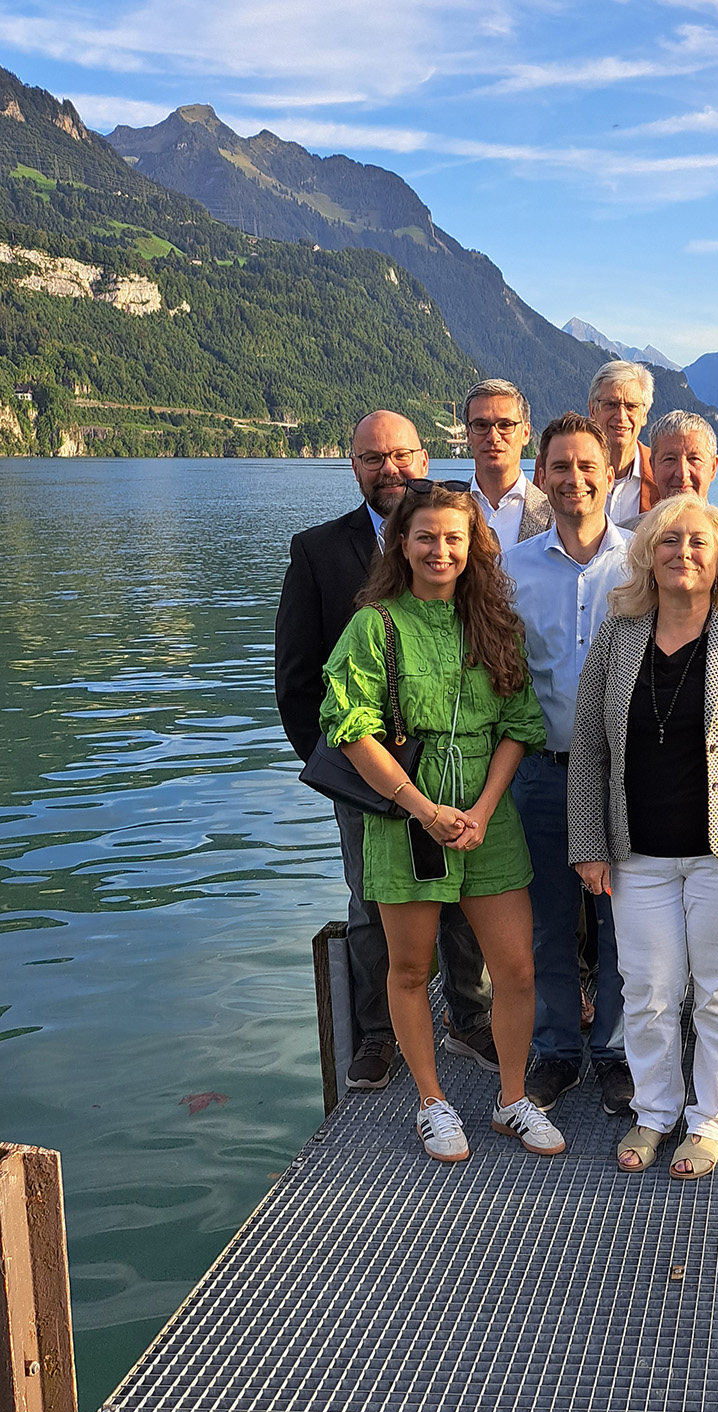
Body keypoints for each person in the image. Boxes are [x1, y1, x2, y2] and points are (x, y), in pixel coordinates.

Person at [319, 482, 562, 1160]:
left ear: (473, 545)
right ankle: (432, 1101)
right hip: (406, 818)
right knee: (408, 967)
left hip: (488, 819)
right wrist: (422, 810)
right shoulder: (376, 625)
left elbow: (519, 725)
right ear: (401, 541)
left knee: (514, 969)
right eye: (426, 536)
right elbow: (349, 726)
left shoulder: (494, 621)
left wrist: (483, 810)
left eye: (454, 537)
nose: (440, 549)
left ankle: (512, 1099)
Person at [569, 494, 718, 1179]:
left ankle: (710, 1121)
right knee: (646, 989)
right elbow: (588, 745)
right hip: (637, 853)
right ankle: (655, 1111)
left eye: (698, 541)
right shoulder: (617, 634)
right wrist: (588, 843)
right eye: (668, 541)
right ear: (646, 553)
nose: (683, 553)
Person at [274, 410, 496, 1090]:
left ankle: (469, 1018)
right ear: (354, 467)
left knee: (459, 898)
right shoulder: (317, 550)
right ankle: (376, 1036)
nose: (390, 470)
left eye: (402, 456)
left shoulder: (459, 541)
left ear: (424, 458)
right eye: (374, 458)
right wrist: (339, 769)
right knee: (371, 903)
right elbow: (296, 677)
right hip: (366, 773)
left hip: (456, 766)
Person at [503, 412, 634, 1117]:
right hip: (542, 772)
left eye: (588, 466)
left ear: (610, 474)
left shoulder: (641, 561)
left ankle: (614, 1054)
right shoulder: (512, 568)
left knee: (619, 925)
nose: (575, 479)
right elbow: (499, 669)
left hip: (623, 778)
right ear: (542, 477)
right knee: (550, 922)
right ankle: (557, 1050)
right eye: (560, 467)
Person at [463, 379, 552, 547]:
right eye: (481, 425)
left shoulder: (554, 514)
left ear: (525, 433)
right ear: (468, 434)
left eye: (505, 425)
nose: (493, 437)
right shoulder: (445, 509)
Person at [588, 359, 658, 526]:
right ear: (592, 410)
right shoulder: (560, 467)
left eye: (631, 406)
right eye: (611, 404)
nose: (621, 416)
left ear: (644, 415)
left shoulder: (661, 474)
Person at [644, 410, 718, 507]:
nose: (682, 474)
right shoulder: (633, 523)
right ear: (653, 467)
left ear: (713, 468)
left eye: (694, 459)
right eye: (670, 459)